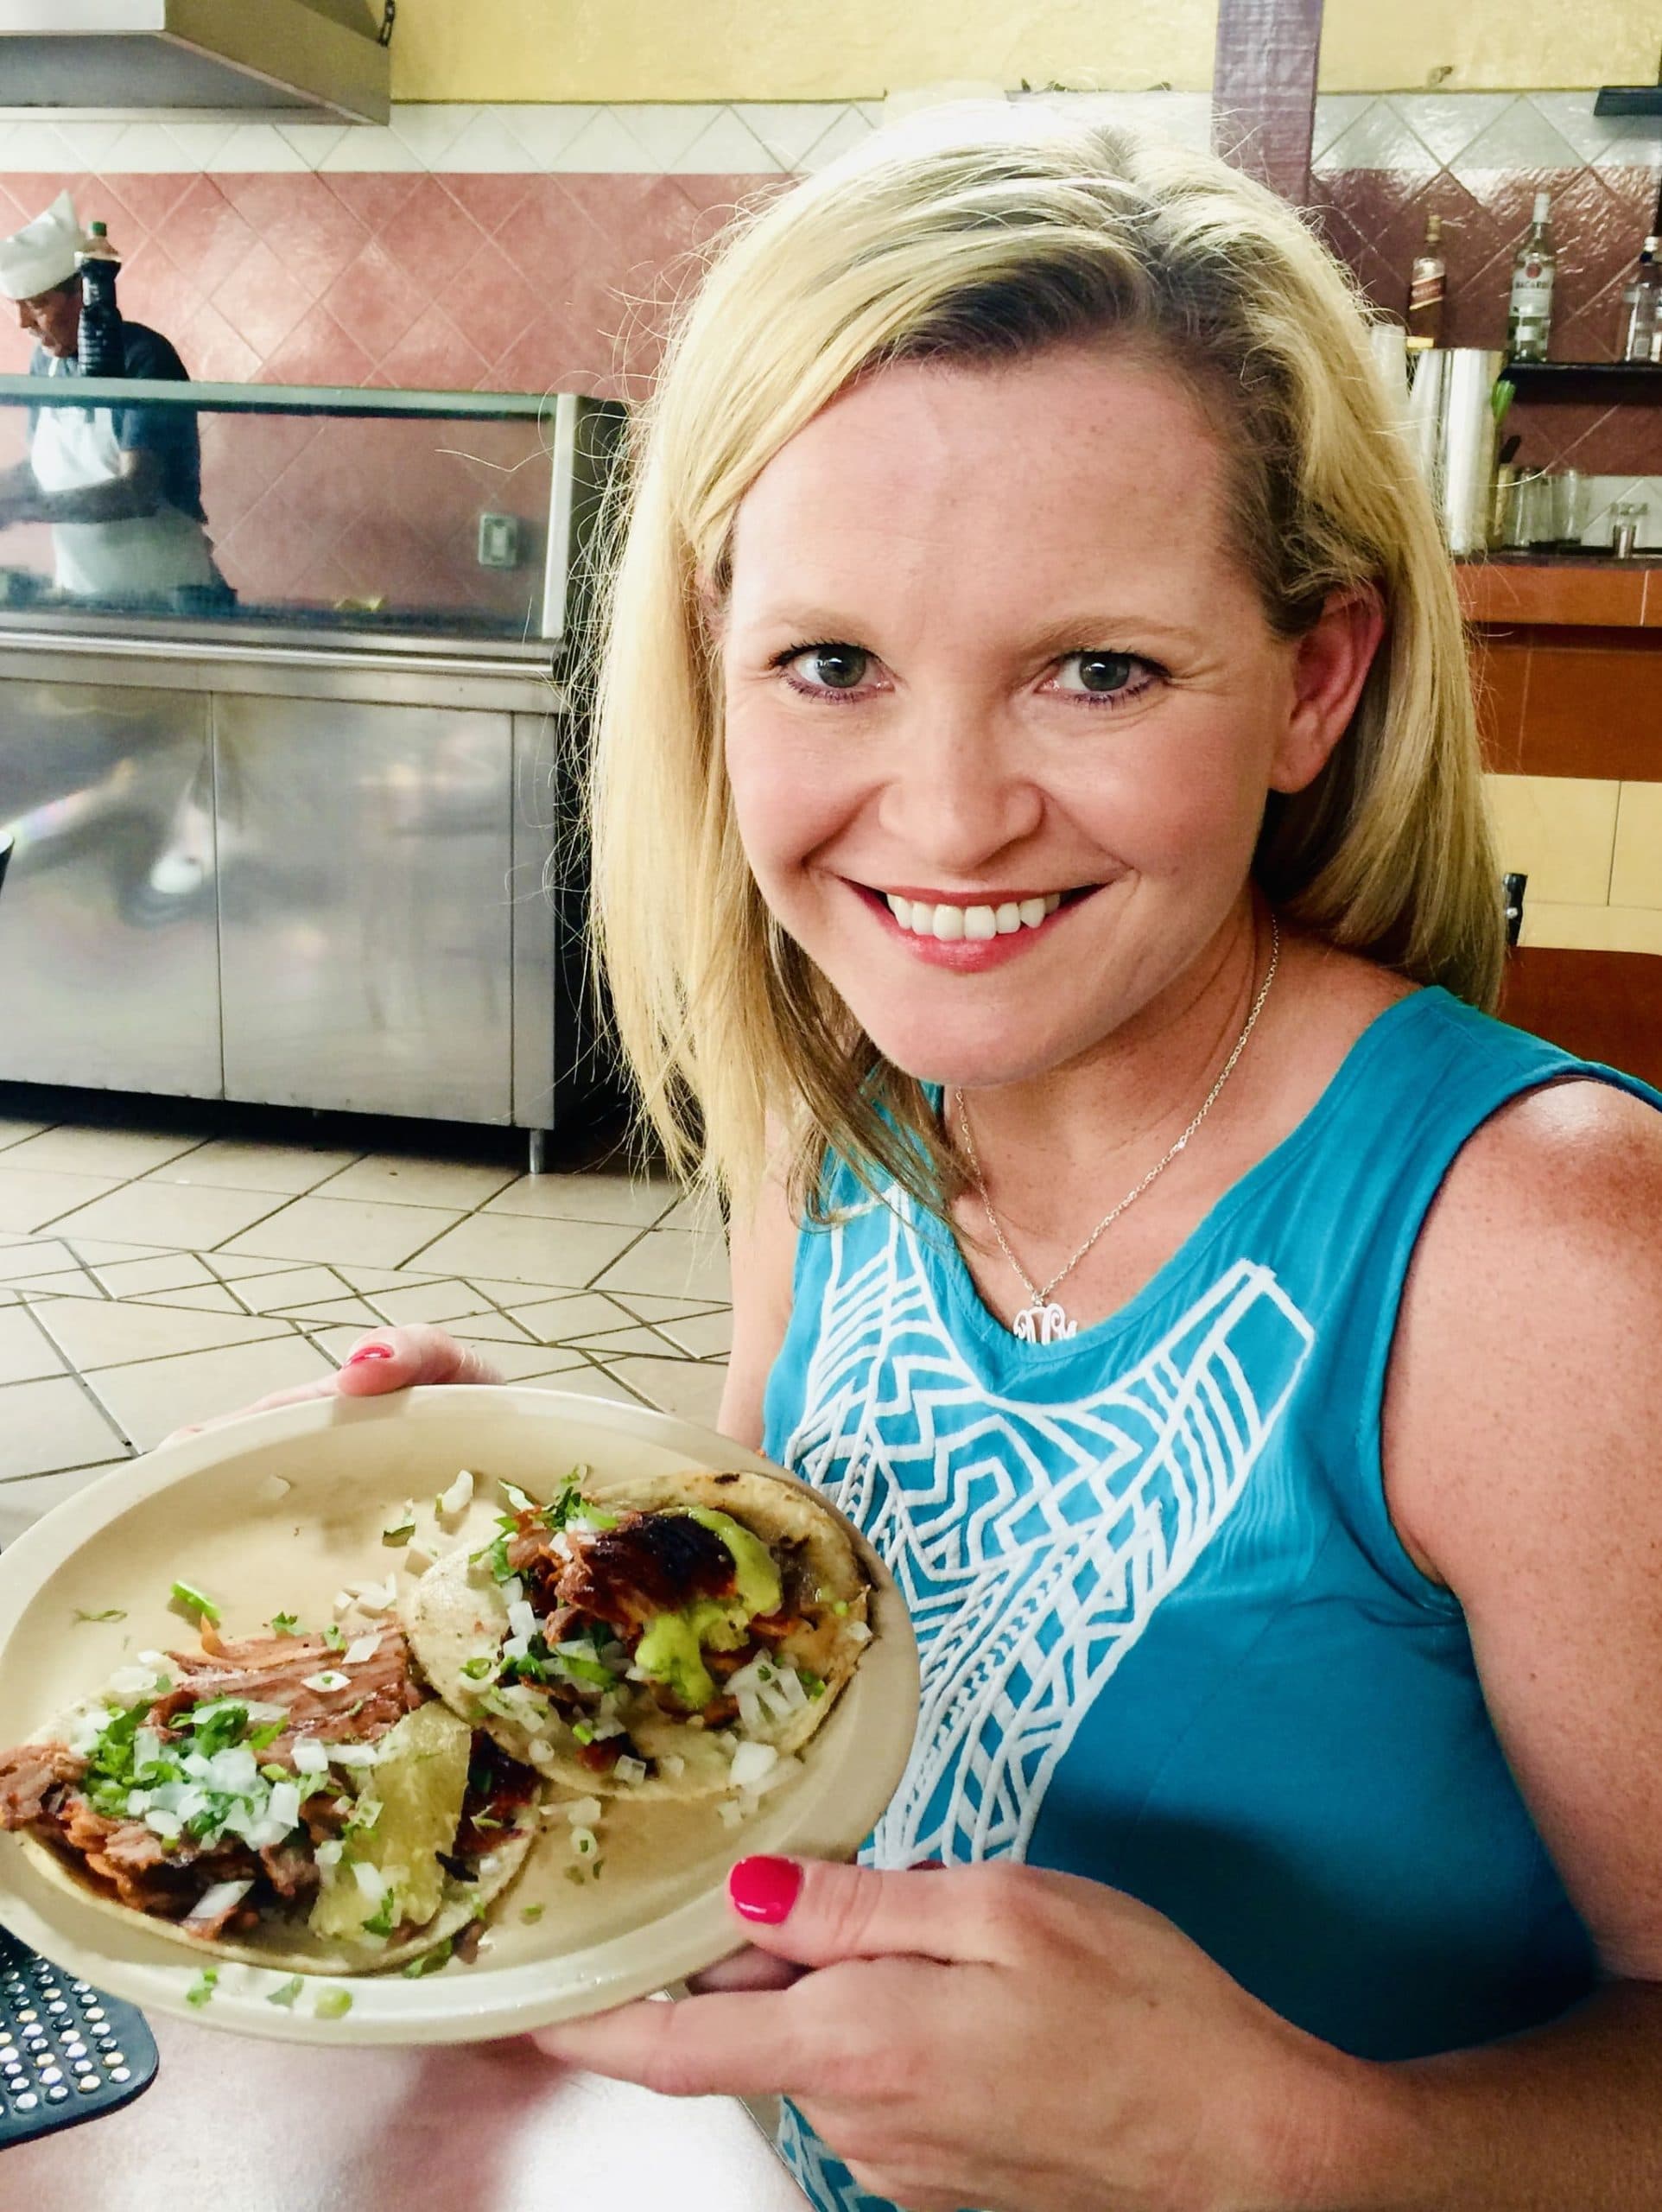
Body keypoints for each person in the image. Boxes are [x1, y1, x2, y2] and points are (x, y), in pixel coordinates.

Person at [193, 109, 1662, 2212]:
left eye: (1094, 669)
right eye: (829, 662)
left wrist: (1280, 2136)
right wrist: (535, 1584)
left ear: (1309, 681)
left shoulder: (1538, 1248)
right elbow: (807, 1702)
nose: (945, 818)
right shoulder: (835, 1114)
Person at [0, 190, 230, 607]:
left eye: (37, 305)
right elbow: (44, 469)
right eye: (16, 307)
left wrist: (30, 507)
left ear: (83, 295)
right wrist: (6, 492)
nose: (22, 323)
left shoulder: (145, 357)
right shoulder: (44, 365)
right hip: (87, 602)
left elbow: (139, 489)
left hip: (169, 599)